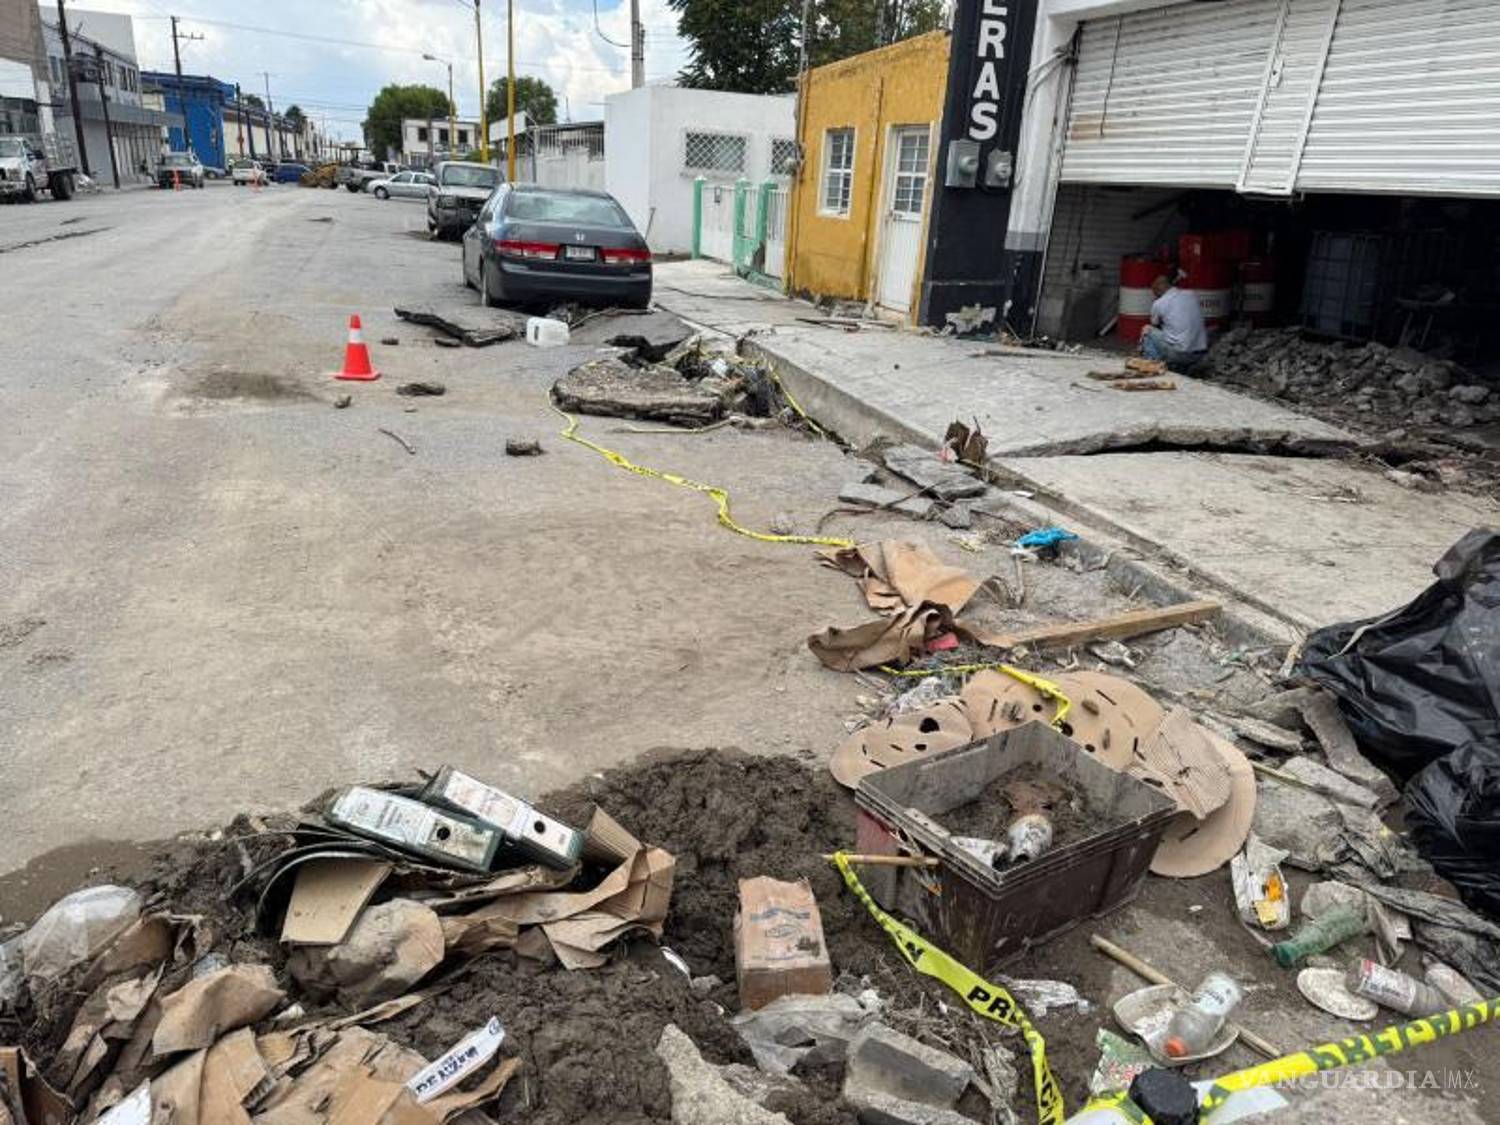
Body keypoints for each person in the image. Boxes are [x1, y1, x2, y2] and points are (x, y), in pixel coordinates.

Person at [1140, 274, 1208, 373]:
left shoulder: (1159, 303)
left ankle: (1153, 367)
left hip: (1180, 354)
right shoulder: (1191, 294)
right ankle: (1180, 367)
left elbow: (1154, 324)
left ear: (1157, 290)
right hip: (1199, 354)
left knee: (1147, 330)